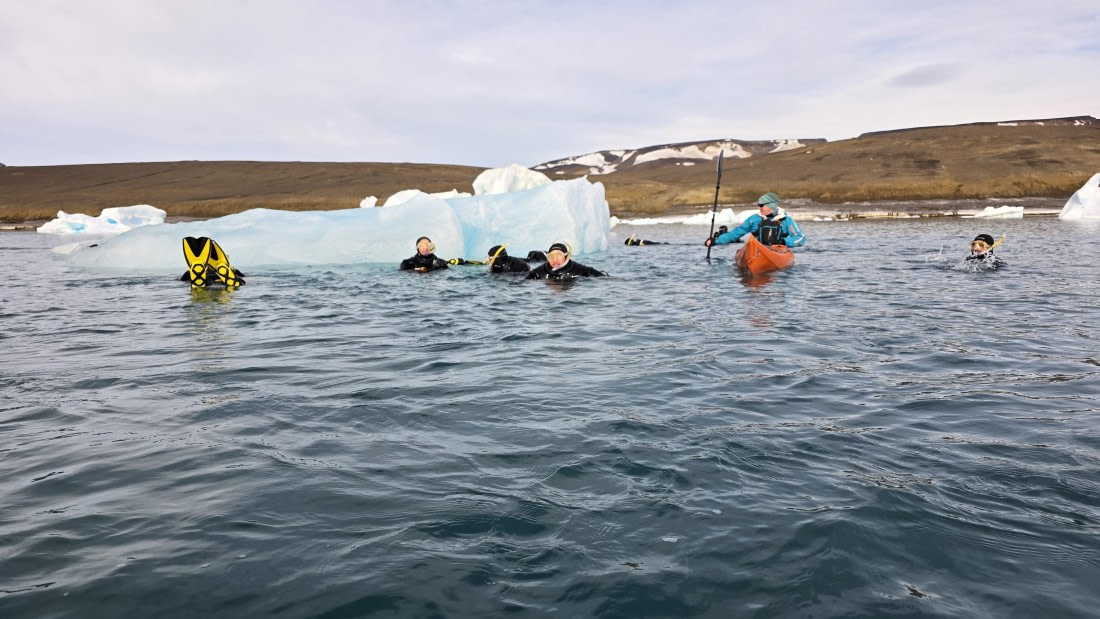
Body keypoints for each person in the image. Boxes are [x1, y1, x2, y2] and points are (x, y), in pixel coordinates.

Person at [704, 192, 805, 248]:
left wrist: (783, 242)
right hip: (756, 250)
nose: (759, 208)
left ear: (771, 205)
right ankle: (721, 236)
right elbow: (735, 233)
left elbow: (800, 238)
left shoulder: (787, 220)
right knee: (735, 238)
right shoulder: (754, 219)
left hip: (778, 251)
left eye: (761, 205)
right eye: (758, 205)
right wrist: (715, 241)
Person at [525, 242, 607, 280]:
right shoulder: (537, 273)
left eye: (559, 255)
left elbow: (604, 279)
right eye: (551, 256)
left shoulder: (583, 270)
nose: (555, 259)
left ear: (566, 256)